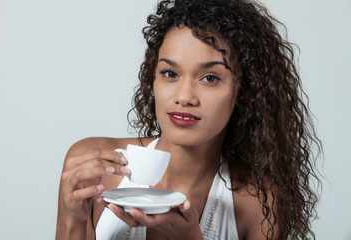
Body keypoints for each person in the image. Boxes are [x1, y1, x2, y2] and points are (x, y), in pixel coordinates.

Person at [56, 0, 322, 239]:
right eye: (170, 73)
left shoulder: (258, 202)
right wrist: (72, 219)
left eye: (210, 78)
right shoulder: (95, 167)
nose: (184, 97)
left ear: (245, 92)